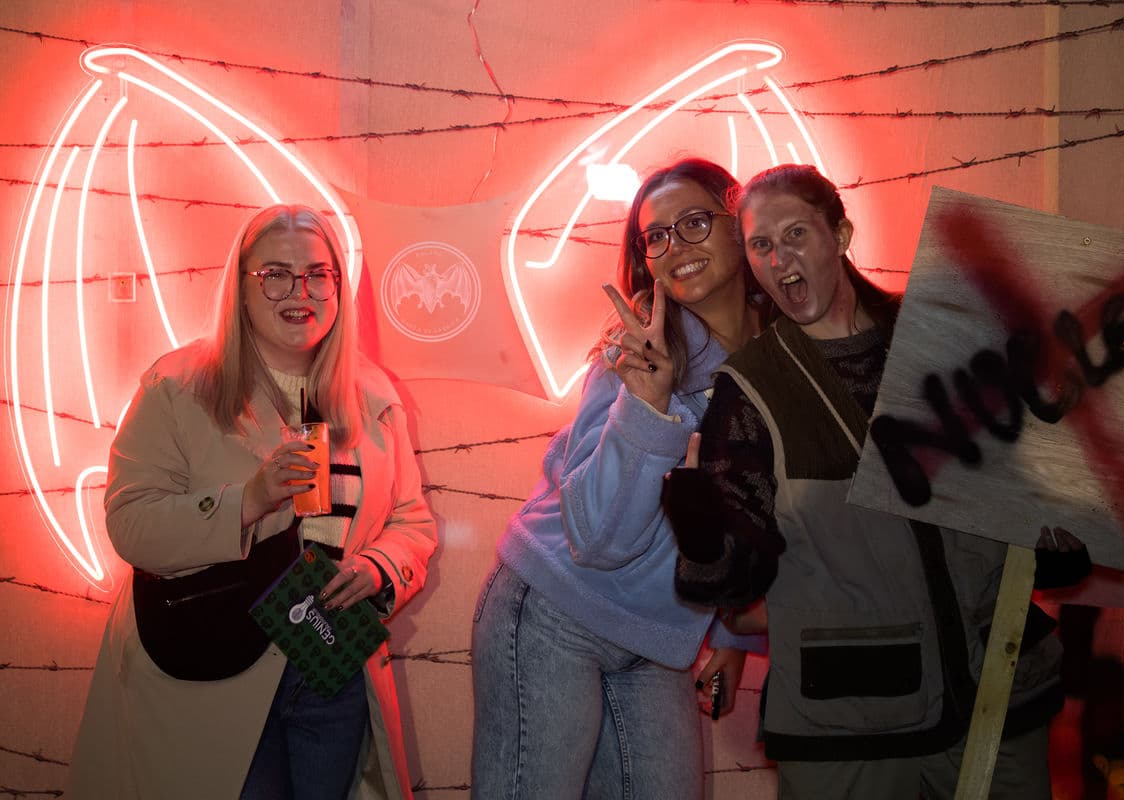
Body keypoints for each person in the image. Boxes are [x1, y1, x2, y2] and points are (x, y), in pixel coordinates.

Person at [664, 164, 1090, 800]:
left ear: (841, 233)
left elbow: (1052, 537)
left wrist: (1062, 431)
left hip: (997, 701)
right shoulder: (751, 390)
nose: (779, 258)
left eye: (796, 233)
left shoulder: (950, 338)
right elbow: (737, 580)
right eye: (760, 244)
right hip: (848, 726)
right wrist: (701, 535)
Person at [67, 204, 437, 800]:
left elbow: (410, 520)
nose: (301, 291)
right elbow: (131, 524)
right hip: (212, 663)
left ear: (339, 286)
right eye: (275, 275)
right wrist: (248, 501)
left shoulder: (371, 395)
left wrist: (378, 567)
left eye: (319, 274)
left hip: (328, 661)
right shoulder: (178, 386)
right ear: (240, 287)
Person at [470, 158, 770, 799]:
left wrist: (726, 630)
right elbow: (598, 538)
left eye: (693, 223)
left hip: (658, 634)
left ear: (737, 221)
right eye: (655, 236)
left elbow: (749, 517)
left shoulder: (778, 357)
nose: (674, 248)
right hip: (554, 610)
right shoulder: (637, 351)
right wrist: (650, 409)